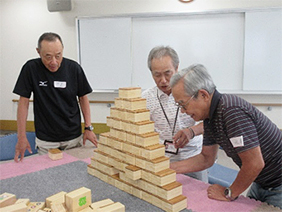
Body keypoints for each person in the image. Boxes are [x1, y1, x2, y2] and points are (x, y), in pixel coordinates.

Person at [169, 64, 282, 208]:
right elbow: (206, 158)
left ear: (203, 95)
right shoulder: (210, 117)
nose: (183, 111)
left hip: (278, 184)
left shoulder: (231, 111)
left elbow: (254, 163)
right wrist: (169, 167)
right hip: (260, 182)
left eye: (183, 104)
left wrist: (229, 192)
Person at [13, 32, 98, 162]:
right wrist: (21, 137)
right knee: (48, 177)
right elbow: (23, 103)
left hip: (72, 137)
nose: (54, 62)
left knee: (74, 174)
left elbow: (83, 98)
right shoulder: (31, 68)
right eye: (48, 57)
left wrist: (88, 127)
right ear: (38, 52)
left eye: (58, 56)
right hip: (46, 139)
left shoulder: (73, 68)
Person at [142, 46, 208, 182]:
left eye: (167, 73)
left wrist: (192, 131)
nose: (163, 80)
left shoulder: (194, 92)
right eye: (157, 75)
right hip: (162, 162)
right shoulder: (146, 98)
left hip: (193, 159)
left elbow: (212, 123)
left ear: (177, 68)